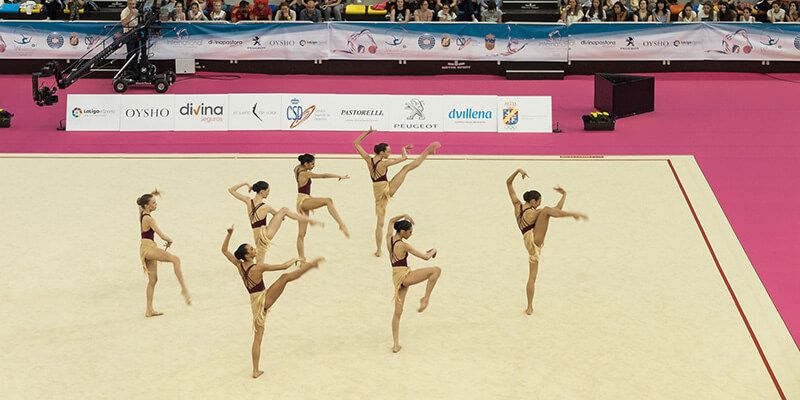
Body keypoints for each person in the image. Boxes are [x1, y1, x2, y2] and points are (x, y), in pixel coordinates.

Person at [221, 225, 324, 378]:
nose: (255, 250)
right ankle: (311, 266)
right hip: (262, 300)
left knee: (258, 337)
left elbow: (224, 251)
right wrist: (295, 258)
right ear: (247, 256)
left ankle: (255, 370)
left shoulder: (239, 265)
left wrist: (228, 234)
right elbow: (282, 267)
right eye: (251, 249)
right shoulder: (258, 267)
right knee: (285, 278)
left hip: (255, 303)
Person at [506, 169, 588, 315]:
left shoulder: (517, 205)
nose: (539, 204)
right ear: (533, 201)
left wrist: (518, 171)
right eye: (538, 201)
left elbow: (508, 183)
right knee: (546, 211)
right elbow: (555, 210)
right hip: (534, 241)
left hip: (529, 244)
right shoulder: (535, 212)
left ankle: (529, 307)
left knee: (532, 277)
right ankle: (573, 214)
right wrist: (565, 200)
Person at [353, 128, 441, 257]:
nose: (390, 152)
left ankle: (378, 250)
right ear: (382, 152)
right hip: (385, 192)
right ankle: (428, 151)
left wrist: (368, 132)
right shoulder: (384, 163)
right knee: (380, 223)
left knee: (406, 169)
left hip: (381, 188)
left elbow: (356, 143)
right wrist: (404, 150)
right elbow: (404, 158)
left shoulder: (368, 159)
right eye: (388, 151)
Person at [228, 180, 321, 264]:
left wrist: (245, 183)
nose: (268, 193)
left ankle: (309, 221)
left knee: (259, 263)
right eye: (267, 191)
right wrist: (280, 217)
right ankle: (309, 220)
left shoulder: (248, 201)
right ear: (262, 191)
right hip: (264, 235)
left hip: (257, 235)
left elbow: (231, 190)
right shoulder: (266, 207)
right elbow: (281, 216)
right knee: (284, 210)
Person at [386, 215, 441, 353]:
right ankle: (425, 298)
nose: (411, 234)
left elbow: (391, 221)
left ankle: (395, 345)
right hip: (405, 277)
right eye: (410, 231)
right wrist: (433, 250)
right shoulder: (404, 245)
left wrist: (404, 215)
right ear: (403, 232)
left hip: (397, 279)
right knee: (436, 271)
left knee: (397, 312)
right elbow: (426, 257)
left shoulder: (390, 240)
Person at [137, 190, 191, 317]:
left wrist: (152, 194)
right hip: (149, 248)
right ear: (147, 206)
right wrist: (170, 240)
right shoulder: (149, 219)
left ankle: (149, 310)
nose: (156, 205)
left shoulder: (142, 213)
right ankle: (184, 289)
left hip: (146, 247)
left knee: (153, 280)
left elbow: (139, 203)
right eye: (153, 203)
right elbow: (161, 234)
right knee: (176, 259)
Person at [294, 153, 350, 259]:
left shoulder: (297, 169)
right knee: (328, 201)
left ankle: (301, 259)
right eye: (312, 164)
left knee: (302, 234)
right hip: (303, 201)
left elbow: (302, 188)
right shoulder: (305, 174)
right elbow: (323, 176)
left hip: (302, 200)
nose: (313, 166)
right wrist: (339, 176)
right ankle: (341, 224)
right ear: (305, 164)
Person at [120, 0, 141, 64]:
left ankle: (134, 67)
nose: (132, 6)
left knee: (137, 52)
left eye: (134, 4)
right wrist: (131, 14)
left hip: (136, 32)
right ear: (127, 4)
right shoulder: (124, 11)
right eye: (130, 4)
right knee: (131, 53)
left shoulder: (136, 11)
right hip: (129, 33)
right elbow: (123, 23)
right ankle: (127, 67)